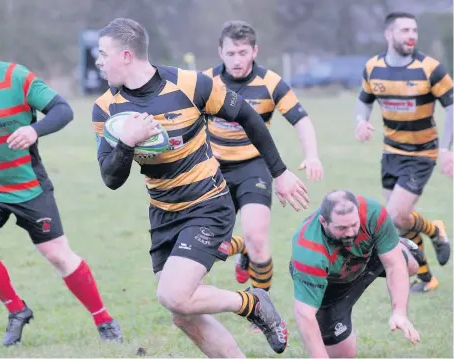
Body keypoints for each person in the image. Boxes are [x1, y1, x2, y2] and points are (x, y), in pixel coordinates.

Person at [92, 17, 309, 357]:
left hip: (207, 205)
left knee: (174, 295)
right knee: (183, 314)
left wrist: (279, 172)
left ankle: (252, 301)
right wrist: (127, 143)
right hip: (163, 213)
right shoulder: (106, 108)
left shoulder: (191, 84)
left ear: (126, 55)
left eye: (103, 53)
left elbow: (249, 117)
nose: (98, 61)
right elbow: (111, 179)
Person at [0, 17, 122, 346]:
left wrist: (34, 129)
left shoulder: (15, 77)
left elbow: (62, 109)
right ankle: (17, 310)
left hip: (28, 185)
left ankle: (103, 319)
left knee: (58, 255)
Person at [202, 20, 324, 295]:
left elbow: (301, 120)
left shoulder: (271, 83)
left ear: (254, 51)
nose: (237, 60)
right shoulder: (206, 81)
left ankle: (261, 308)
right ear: (220, 52)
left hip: (254, 166)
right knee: (212, 240)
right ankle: (240, 249)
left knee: (257, 239)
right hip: (213, 169)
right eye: (231, 53)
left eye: (243, 52)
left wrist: (312, 155)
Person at [354, 11, 452, 292]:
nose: (412, 36)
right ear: (389, 35)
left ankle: (435, 230)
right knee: (402, 223)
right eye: (405, 30)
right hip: (391, 152)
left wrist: (446, 148)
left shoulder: (431, 68)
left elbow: (452, 106)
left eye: (414, 31)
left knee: (395, 215)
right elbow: (363, 101)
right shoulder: (373, 67)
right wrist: (361, 122)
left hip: (422, 153)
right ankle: (426, 278)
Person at [290, 190, 421, 358]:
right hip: (331, 286)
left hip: (365, 257)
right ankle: (389, 245)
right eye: (342, 228)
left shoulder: (372, 213)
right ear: (323, 221)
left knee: (410, 263)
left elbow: (395, 266)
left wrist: (399, 311)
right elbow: (304, 315)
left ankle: (390, 245)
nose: (350, 232)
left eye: (354, 224)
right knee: (344, 355)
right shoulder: (309, 251)